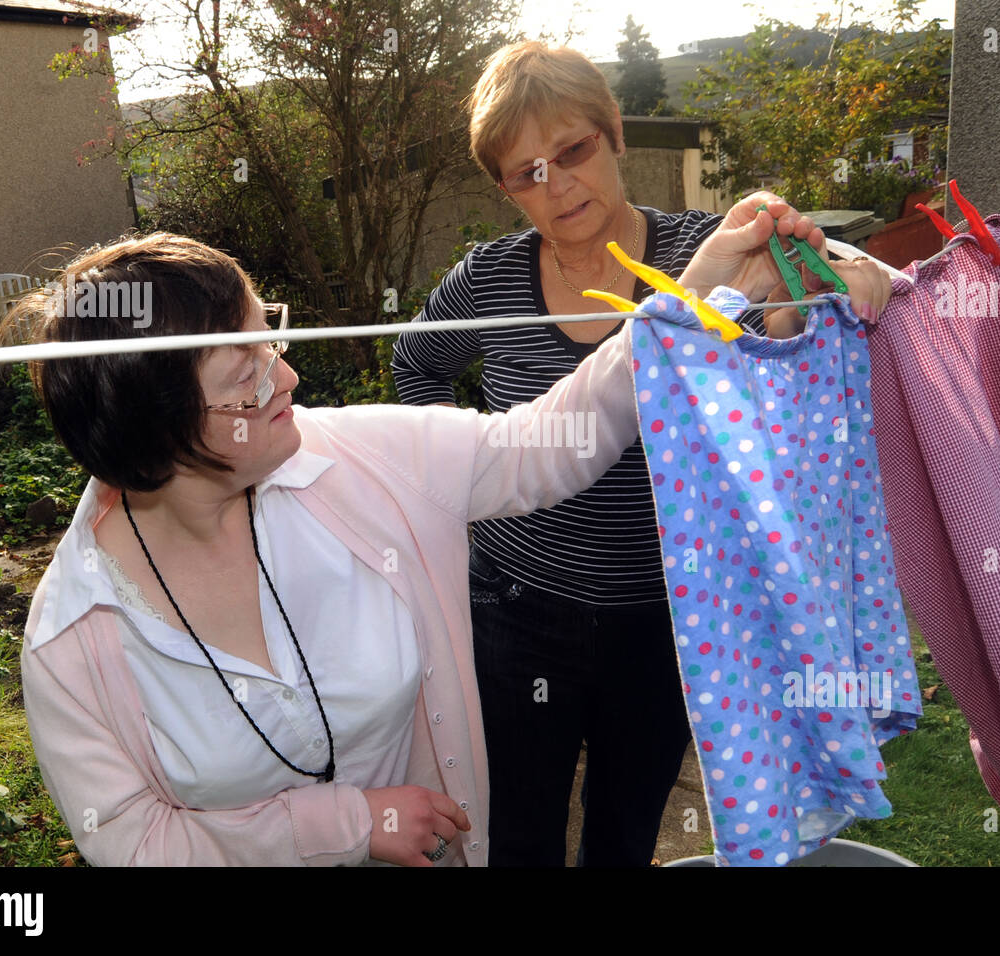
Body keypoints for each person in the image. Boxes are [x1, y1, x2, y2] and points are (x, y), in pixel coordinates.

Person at [13, 225, 890, 867]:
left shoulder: (356, 459)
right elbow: (130, 838)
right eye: (244, 373)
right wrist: (355, 823)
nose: (286, 374)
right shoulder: (73, 637)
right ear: (160, 430)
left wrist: (685, 301)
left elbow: (545, 448)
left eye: (268, 336)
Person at [390, 40, 892, 867]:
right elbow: (416, 363)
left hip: (668, 614)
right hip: (517, 610)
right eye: (526, 173)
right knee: (516, 828)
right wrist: (462, 486)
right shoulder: (486, 280)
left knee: (627, 829)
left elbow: (794, 327)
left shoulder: (704, 256)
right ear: (505, 189)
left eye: (573, 151)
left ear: (614, 132)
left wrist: (839, 266)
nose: (557, 184)